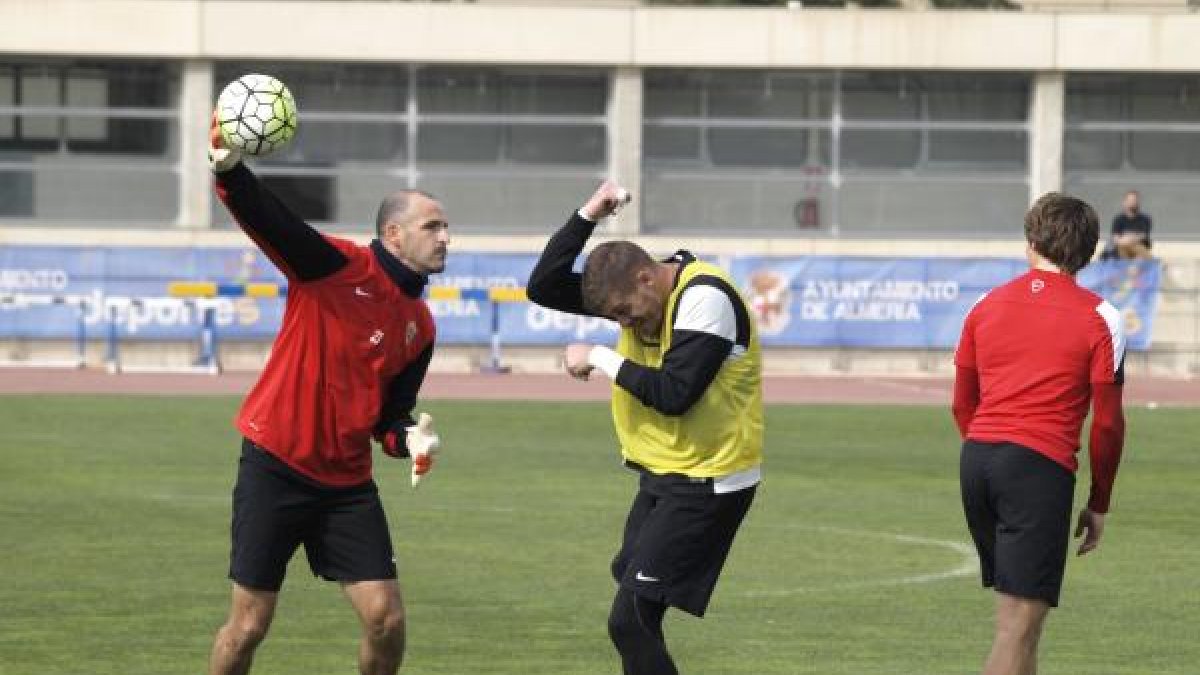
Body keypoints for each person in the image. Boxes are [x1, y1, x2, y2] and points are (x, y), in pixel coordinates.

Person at [206, 115, 448, 675]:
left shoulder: (421, 325)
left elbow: (388, 419)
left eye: (445, 227)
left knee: (386, 617)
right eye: (432, 226)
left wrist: (409, 439)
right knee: (247, 627)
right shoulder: (335, 266)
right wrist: (229, 168)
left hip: (346, 484)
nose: (445, 236)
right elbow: (272, 221)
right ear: (394, 234)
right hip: (276, 465)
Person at [526, 181, 763, 674]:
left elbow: (675, 395)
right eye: (614, 317)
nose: (624, 323)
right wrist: (588, 213)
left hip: (709, 481)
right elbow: (544, 285)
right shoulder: (628, 290)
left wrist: (599, 357)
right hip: (664, 475)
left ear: (646, 278)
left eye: (623, 312)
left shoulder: (706, 298)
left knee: (629, 621)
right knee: (638, 618)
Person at [952, 192, 1127, 675]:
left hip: (979, 461)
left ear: (1031, 241)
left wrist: (990, 449)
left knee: (1021, 624)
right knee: (1016, 629)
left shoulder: (986, 304)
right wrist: (1100, 500)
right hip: (1036, 468)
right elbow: (1108, 423)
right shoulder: (1102, 317)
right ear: (1089, 253)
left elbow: (963, 402)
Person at [1101, 190, 1153, 260]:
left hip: (1138, 247)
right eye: (1130, 200)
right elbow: (1115, 237)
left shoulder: (1145, 219)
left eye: (1134, 200)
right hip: (1122, 247)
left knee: (1139, 250)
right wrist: (1123, 241)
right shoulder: (1118, 219)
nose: (1132, 203)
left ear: (1138, 202)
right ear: (1125, 202)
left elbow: (1143, 235)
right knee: (1119, 247)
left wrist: (1129, 239)